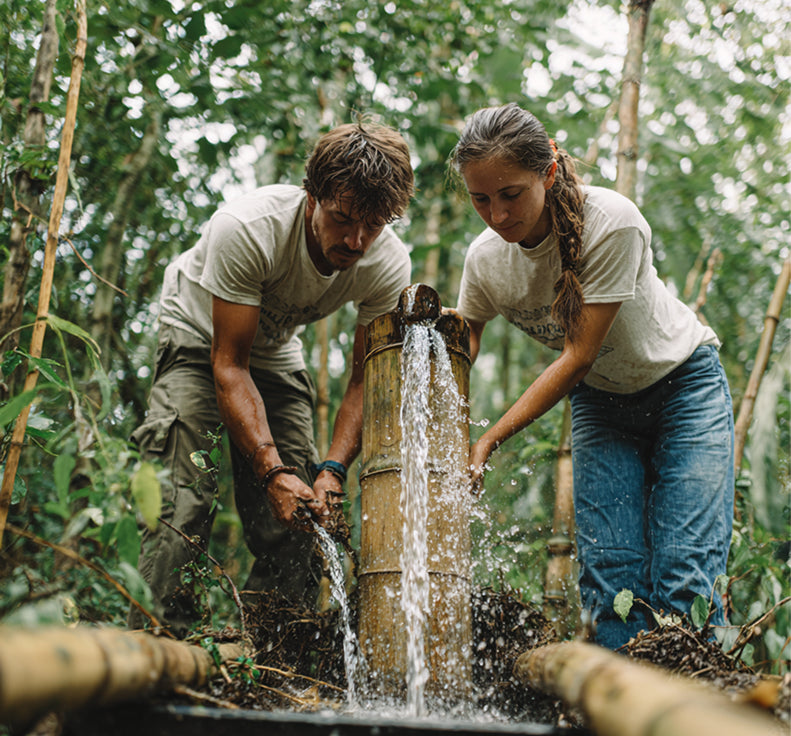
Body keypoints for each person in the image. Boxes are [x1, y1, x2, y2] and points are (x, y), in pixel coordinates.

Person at [449, 102, 734, 650]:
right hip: (603, 406)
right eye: (481, 199)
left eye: (511, 194)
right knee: (610, 576)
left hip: (685, 390)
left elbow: (578, 355)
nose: (498, 215)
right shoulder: (484, 260)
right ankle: (618, 695)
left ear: (549, 171)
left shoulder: (611, 222)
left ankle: (690, 696)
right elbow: (468, 338)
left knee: (685, 571)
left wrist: (487, 440)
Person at [129, 121, 414, 636]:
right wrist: (269, 469)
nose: (356, 241)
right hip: (199, 337)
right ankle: (157, 645)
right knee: (183, 503)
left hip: (278, 352)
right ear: (312, 196)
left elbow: (362, 384)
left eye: (373, 225)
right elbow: (229, 365)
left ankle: (272, 654)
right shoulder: (247, 227)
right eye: (342, 219)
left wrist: (332, 469)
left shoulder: (388, 264)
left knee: (302, 513)